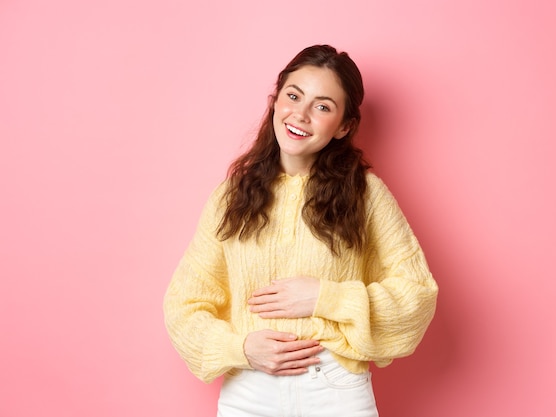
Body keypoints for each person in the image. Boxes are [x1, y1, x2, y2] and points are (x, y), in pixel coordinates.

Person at [163, 44, 438, 417]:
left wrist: (325, 298)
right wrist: (241, 349)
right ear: (275, 101)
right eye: (293, 96)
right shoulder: (231, 196)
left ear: (344, 126)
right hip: (249, 392)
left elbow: (417, 296)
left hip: (335, 390)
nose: (302, 115)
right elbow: (183, 304)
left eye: (322, 106)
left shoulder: (366, 194)